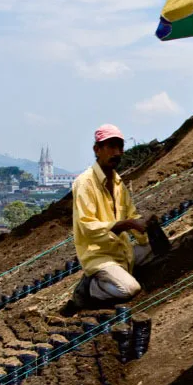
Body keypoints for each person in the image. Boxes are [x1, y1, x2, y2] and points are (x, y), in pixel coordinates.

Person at [70, 124, 158, 308]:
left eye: (120, 147)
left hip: (121, 251)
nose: (116, 152)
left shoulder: (118, 184)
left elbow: (131, 214)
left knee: (161, 249)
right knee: (130, 289)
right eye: (111, 147)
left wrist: (144, 226)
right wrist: (127, 224)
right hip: (99, 256)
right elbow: (87, 226)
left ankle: (117, 277)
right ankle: (90, 288)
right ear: (97, 149)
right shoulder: (85, 183)